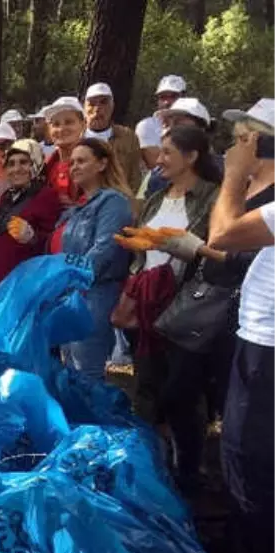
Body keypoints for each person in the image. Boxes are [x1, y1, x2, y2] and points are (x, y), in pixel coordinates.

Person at [205, 102, 275, 553]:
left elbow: (225, 233)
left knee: (254, 466)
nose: (236, 146)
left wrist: (232, 174)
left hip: (270, 354)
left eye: (246, 138)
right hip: (257, 343)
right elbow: (221, 248)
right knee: (244, 461)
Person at [126, 125, 221, 491]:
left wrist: (181, 246)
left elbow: (218, 253)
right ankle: (152, 465)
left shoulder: (213, 199)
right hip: (148, 300)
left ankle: (189, 468)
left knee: (182, 391)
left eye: (167, 152)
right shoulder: (156, 198)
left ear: (192, 156)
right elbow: (141, 249)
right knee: (147, 384)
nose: (158, 159)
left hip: (186, 304)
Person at [55, 139, 134, 375]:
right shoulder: (79, 206)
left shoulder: (113, 202)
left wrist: (70, 276)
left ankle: (89, 413)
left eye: (82, 161)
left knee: (86, 371)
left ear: (101, 164)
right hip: (72, 293)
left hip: (95, 294)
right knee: (70, 367)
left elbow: (104, 249)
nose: (74, 167)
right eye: (72, 163)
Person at [0, 139, 62, 297]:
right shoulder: (6, 197)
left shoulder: (46, 195)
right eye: (11, 164)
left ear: (36, 163)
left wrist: (32, 237)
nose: (16, 169)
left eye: (24, 162)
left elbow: (53, 241)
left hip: (21, 286)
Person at [83, 82, 144, 192]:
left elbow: (135, 177)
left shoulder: (128, 137)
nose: (97, 108)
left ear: (112, 106)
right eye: (92, 104)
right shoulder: (76, 137)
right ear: (84, 107)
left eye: (103, 102)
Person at [42, 96, 87, 205]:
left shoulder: (94, 164)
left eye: (69, 122)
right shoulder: (45, 167)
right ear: (49, 129)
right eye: (56, 124)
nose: (62, 129)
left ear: (83, 125)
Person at [137, 75, 187, 170]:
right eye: (162, 97)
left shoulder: (192, 125)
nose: (167, 102)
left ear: (184, 97)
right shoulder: (147, 126)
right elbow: (158, 166)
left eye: (173, 96)